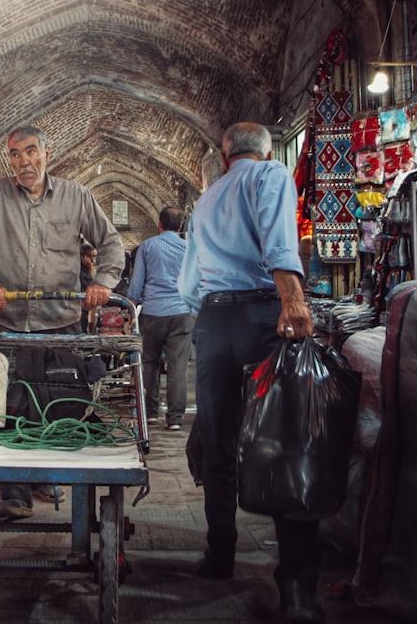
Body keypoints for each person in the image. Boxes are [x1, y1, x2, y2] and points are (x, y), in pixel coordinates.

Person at [177, 122, 321, 623]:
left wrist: (213, 319)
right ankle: (299, 589)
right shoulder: (271, 175)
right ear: (263, 150)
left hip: (214, 320)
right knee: (285, 441)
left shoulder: (206, 198)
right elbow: (280, 241)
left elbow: (188, 282)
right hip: (265, 314)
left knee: (219, 439)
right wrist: (293, 300)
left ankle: (220, 556)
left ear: (224, 155)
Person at [0, 124, 124, 519]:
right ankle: (14, 494)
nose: (23, 161)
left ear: (48, 152)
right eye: (15, 154)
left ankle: (48, 476)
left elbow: (111, 241)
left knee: (60, 404)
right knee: (9, 404)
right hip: (8, 320)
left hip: (60, 321)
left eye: (30, 152)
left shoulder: (76, 197)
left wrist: (102, 282)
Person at [126, 206, 194, 431]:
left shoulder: (147, 247)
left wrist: (131, 305)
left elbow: (137, 284)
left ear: (159, 225)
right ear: (181, 226)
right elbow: (196, 281)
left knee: (149, 364)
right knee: (178, 367)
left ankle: (150, 413)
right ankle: (174, 419)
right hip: (181, 313)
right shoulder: (189, 248)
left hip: (153, 314)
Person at [79, 242, 97, 331]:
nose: (93, 260)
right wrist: (90, 270)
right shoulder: (80, 272)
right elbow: (91, 287)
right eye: (91, 256)